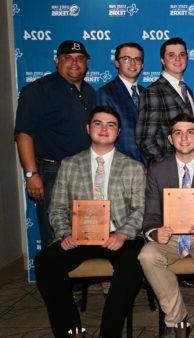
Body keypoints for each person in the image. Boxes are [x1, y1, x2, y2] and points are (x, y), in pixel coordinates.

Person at [35, 106, 146, 338]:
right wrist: (66, 233)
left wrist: (123, 234)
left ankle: (109, 332)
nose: (104, 129)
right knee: (46, 262)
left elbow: (139, 210)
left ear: (118, 131)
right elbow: (57, 207)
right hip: (79, 236)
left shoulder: (133, 167)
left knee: (133, 260)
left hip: (118, 235)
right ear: (88, 128)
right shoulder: (69, 164)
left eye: (111, 125)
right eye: (98, 123)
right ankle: (71, 332)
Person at [138, 113, 194, 338]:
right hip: (170, 238)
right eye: (178, 132)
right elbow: (150, 216)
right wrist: (154, 232)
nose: (184, 138)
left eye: (190, 132)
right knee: (147, 255)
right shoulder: (157, 170)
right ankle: (177, 319)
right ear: (170, 139)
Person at [14, 40, 95, 248]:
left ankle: (78, 281)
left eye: (79, 58)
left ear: (86, 63)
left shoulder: (89, 91)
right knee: (55, 233)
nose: (74, 63)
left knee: (82, 231)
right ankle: (54, 280)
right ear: (57, 61)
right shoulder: (37, 90)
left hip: (84, 172)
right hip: (52, 171)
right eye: (68, 58)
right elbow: (24, 134)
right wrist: (31, 175)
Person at [136, 37, 194, 164]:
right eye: (171, 55)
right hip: (167, 170)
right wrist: (167, 165)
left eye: (182, 54)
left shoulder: (187, 90)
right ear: (162, 60)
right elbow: (145, 139)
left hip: (191, 166)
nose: (178, 59)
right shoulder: (152, 92)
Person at [97, 42, 147, 165]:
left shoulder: (148, 93)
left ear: (142, 65)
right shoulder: (106, 93)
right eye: (126, 59)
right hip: (119, 166)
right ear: (117, 63)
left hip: (149, 167)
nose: (132, 63)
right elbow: (103, 136)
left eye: (137, 59)